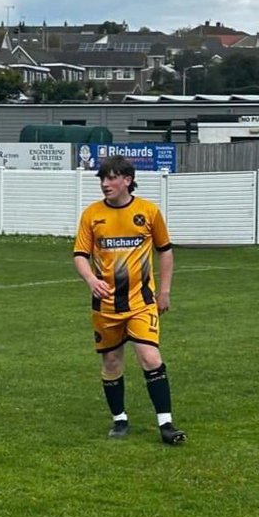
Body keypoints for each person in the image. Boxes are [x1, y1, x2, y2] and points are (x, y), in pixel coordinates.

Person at [73, 154, 186, 445]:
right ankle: (120, 420)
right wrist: (91, 280)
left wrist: (164, 291)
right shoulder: (91, 215)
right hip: (106, 305)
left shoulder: (148, 212)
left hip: (141, 302)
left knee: (150, 356)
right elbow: (80, 255)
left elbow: (166, 250)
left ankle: (166, 424)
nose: (105, 184)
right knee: (112, 362)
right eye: (102, 178)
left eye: (111, 178)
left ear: (127, 180)